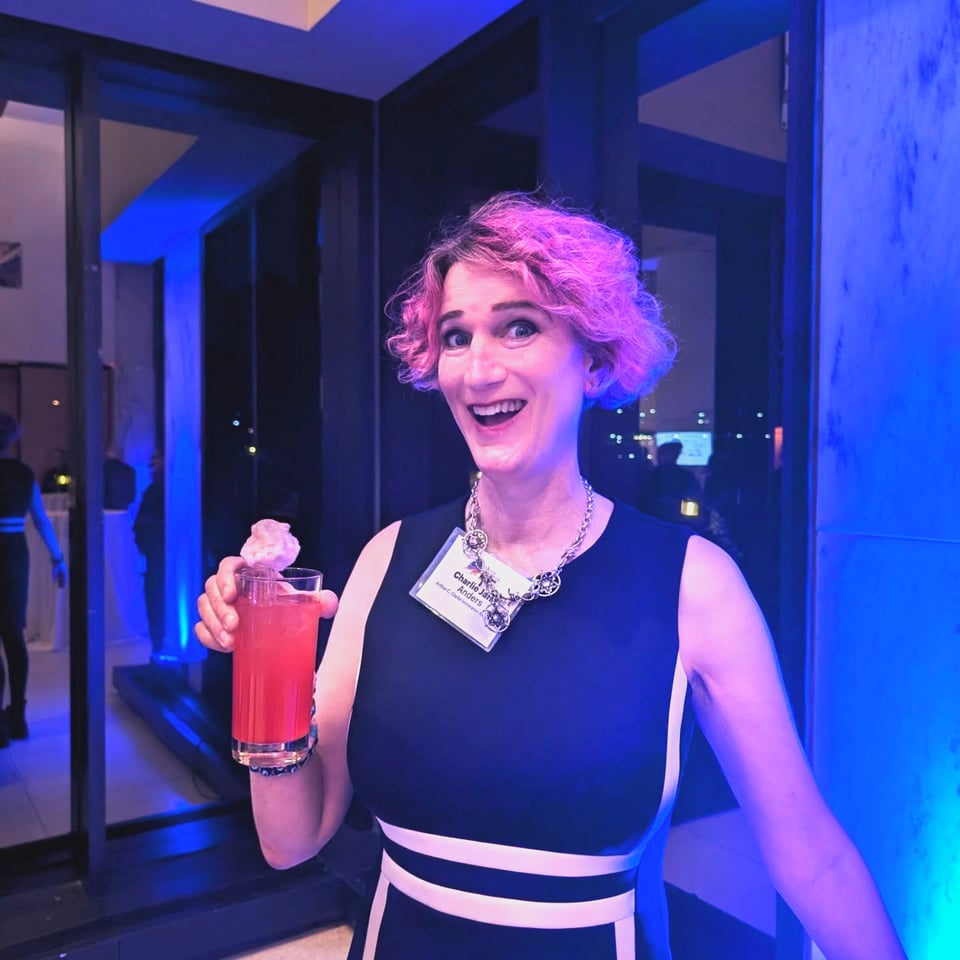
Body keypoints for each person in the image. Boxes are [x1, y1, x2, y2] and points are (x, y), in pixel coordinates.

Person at [196, 194, 906, 959]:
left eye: (520, 327)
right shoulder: (387, 561)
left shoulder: (693, 587)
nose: (479, 369)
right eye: (455, 336)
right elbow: (290, 840)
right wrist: (265, 669)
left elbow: (815, 857)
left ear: (595, 358)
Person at [0, 412, 67, 747]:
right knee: (14, 635)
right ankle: (18, 716)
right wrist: (58, 558)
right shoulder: (24, 474)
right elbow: (40, 521)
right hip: (14, 553)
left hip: (9, 551)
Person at [134, 452, 165, 659]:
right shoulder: (154, 489)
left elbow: (143, 524)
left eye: (156, 458)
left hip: (159, 557)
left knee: (157, 600)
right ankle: (158, 647)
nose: (152, 463)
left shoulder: (159, 490)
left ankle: (159, 646)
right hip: (156, 556)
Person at [640, 439, 704, 528]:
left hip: (679, 524)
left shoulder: (685, 476)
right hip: (653, 522)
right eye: (663, 453)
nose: (661, 457)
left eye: (671, 454)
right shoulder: (650, 476)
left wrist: (688, 520)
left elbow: (694, 500)